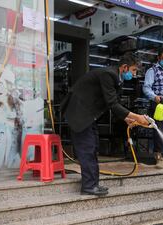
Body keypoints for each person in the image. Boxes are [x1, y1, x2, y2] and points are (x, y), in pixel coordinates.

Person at [61, 54, 149, 196]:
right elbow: (112, 104)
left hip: (89, 115)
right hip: (78, 113)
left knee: (94, 146)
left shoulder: (116, 78)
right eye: (133, 70)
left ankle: (93, 183)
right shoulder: (108, 75)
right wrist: (137, 116)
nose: (134, 74)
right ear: (124, 67)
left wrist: (127, 118)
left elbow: (114, 103)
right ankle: (89, 186)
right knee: (87, 148)